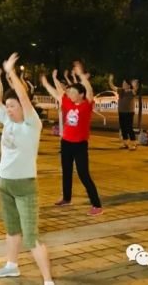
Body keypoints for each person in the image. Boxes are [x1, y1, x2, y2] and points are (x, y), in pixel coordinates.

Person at [0, 54, 54, 284]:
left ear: (23, 106)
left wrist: (11, 73)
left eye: (12, 106)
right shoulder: (7, 120)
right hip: (5, 184)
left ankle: (48, 280)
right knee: (12, 230)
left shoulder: (32, 124)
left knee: (31, 238)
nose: (8, 109)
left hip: (25, 186)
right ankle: (11, 266)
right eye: (7, 106)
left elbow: (22, 95)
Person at [42, 63, 102, 215]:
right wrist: (46, 83)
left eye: (73, 92)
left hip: (80, 145)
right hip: (66, 142)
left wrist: (82, 76)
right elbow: (56, 94)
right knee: (66, 171)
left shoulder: (86, 105)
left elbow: (89, 90)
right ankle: (66, 198)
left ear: (81, 94)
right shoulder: (68, 102)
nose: (70, 94)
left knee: (83, 174)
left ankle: (97, 205)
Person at [108, 75, 138, 150]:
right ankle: (125, 144)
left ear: (128, 85)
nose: (123, 85)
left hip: (129, 112)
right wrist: (110, 80)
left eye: (124, 84)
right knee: (123, 128)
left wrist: (134, 85)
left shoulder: (131, 92)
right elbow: (112, 86)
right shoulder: (121, 90)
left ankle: (134, 144)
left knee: (129, 128)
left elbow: (135, 89)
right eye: (122, 83)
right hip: (121, 112)